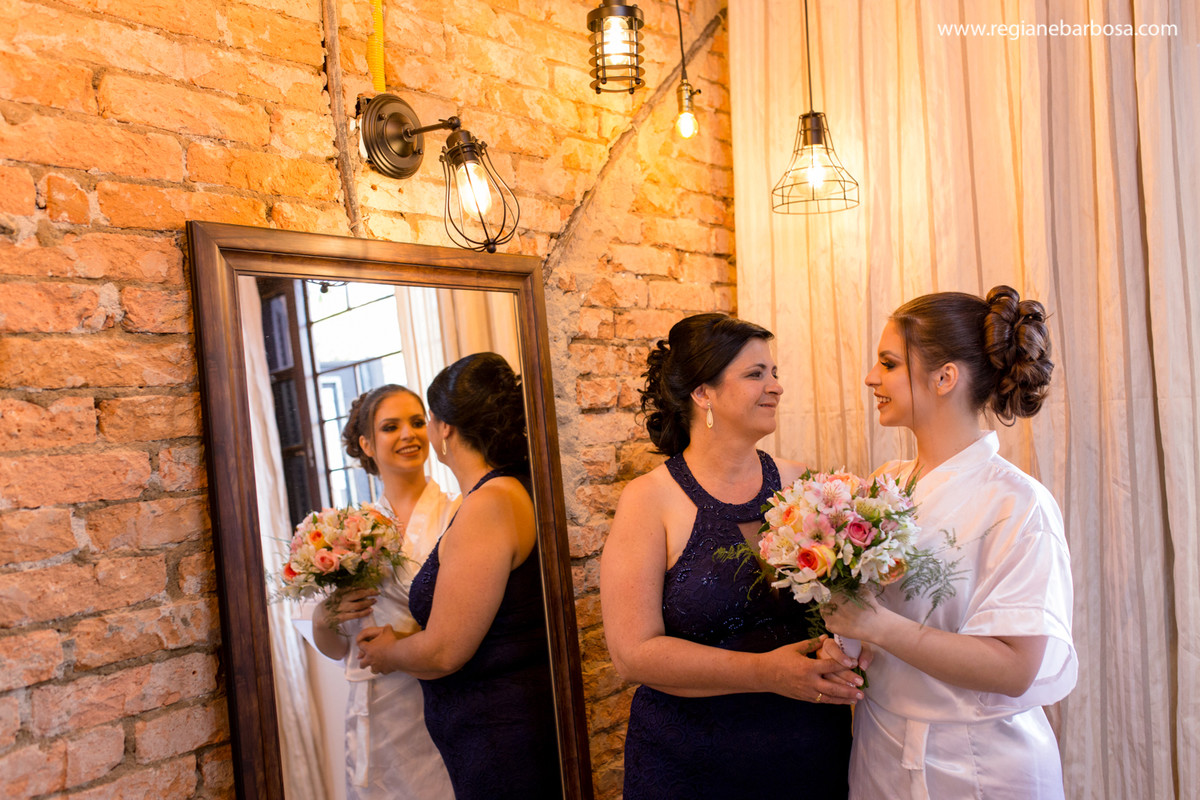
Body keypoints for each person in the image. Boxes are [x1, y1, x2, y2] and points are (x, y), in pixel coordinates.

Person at [821, 286, 1078, 798]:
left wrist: (876, 626)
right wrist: (846, 645)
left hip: (979, 763)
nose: (871, 377)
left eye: (888, 363)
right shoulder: (885, 485)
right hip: (880, 746)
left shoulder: (1017, 503)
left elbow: (1015, 669)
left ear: (945, 378)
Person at [600, 312, 859, 800]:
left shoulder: (802, 483)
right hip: (693, 765)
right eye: (756, 374)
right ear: (704, 393)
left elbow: (838, 607)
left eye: (774, 372)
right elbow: (632, 654)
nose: (776, 386)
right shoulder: (649, 500)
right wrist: (765, 673)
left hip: (808, 752)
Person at [356, 352, 559, 800]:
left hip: (497, 733)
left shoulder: (489, 503)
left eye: (424, 419)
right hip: (498, 724)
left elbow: (446, 651)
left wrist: (389, 651)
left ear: (444, 428)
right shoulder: (510, 487)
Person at [311, 384, 456, 800]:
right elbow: (340, 649)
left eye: (417, 422)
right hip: (376, 707)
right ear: (366, 444)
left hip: (440, 694)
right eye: (391, 427)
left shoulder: (458, 510)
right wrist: (324, 618)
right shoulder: (346, 531)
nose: (408, 434)